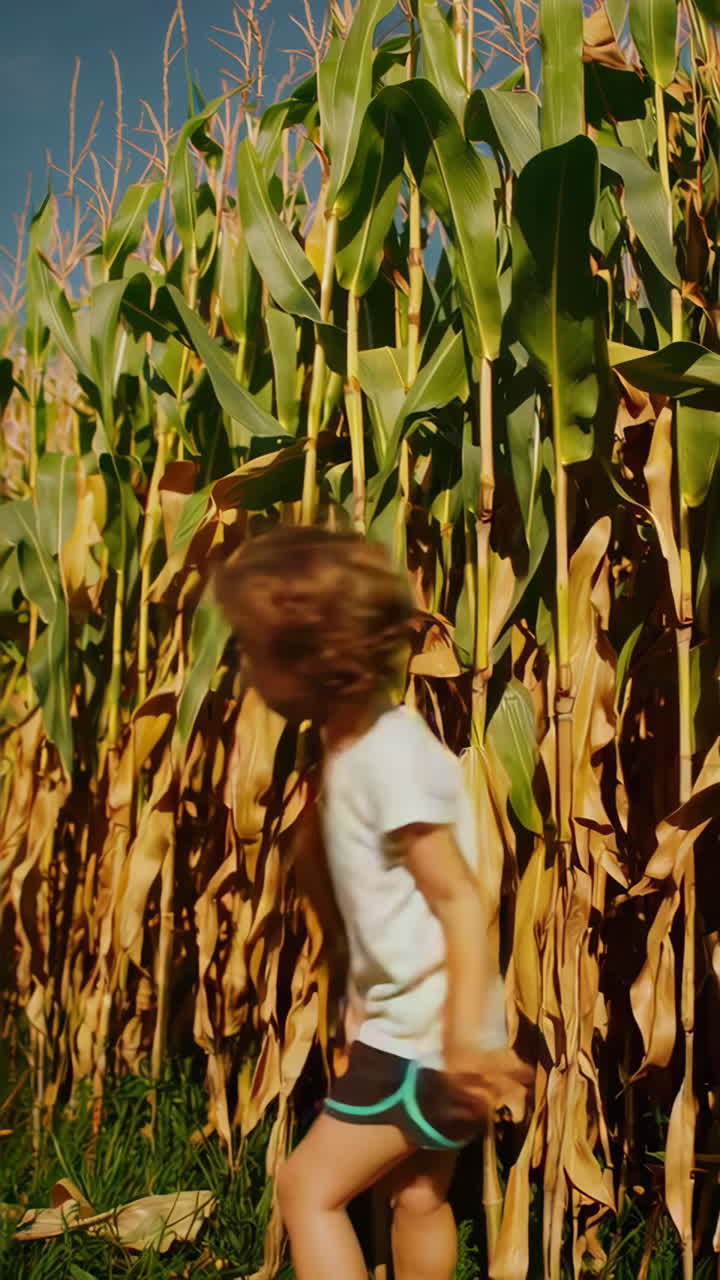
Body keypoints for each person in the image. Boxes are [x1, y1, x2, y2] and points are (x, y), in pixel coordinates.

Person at [214, 524, 532, 1280]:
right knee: (416, 1194)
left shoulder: (387, 759)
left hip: (429, 1041)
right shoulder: (360, 745)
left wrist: (460, 1043)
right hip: (431, 1028)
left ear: (312, 660)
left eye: (256, 648)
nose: (246, 665)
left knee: (307, 1190)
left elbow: (458, 897)